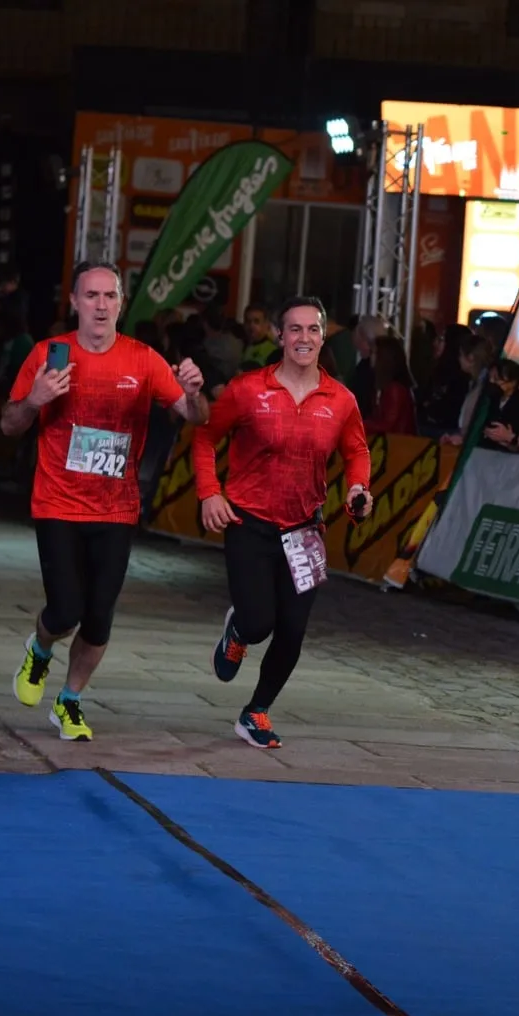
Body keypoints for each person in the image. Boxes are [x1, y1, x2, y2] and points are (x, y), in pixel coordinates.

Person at [4, 261, 209, 740]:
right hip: (57, 503)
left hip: (116, 509)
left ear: (120, 302)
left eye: (109, 296)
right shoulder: (51, 355)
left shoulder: (143, 360)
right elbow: (10, 424)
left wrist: (197, 393)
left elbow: (195, 416)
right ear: (73, 302)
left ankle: (69, 701)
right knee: (65, 610)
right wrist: (34, 399)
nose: (100, 305)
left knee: (98, 618)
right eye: (90, 296)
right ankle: (40, 647)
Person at [196, 296, 372, 750]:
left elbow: (356, 451)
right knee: (259, 623)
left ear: (322, 336)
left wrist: (357, 489)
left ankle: (256, 712)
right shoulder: (247, 389)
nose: (304, 338)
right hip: (249, 521)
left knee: (292, 629)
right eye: (294, 329)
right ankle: (239, 630)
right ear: (279, 336)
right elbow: (205, 436)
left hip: (306, 531)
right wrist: (209, 492)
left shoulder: (341, 399)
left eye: (313, 330)